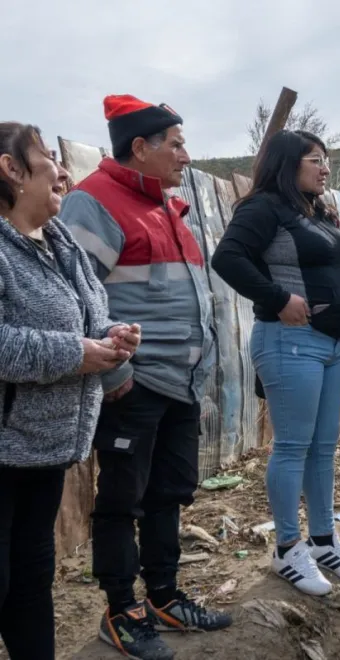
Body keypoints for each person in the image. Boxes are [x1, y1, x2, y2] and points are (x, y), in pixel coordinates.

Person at [59, 95, 231, 660]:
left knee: (170, 493)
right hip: (134, 384)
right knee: (121, 501)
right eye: (176, 144)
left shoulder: (167, 208)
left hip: (179, 386)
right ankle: (120, 609)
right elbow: (76, 300)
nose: (186, 155)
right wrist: (116, 376)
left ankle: (163, 595)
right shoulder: (94, 204)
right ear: (141, 147)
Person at [0, 122, 139, 660]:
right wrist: (74, 353)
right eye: (45, 159)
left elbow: (91, 316)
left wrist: (112, 335)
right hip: (6, 448)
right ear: (10, 170)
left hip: (48, 447)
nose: (62, 171)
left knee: (32, 579)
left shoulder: (62, 246)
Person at [211, 129, 340, 599]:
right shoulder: (263, 208)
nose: (324, 168)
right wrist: (277, 298)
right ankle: (286, 547)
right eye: (315, 160)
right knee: (293, 447)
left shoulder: (312, 210)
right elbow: (227, 257)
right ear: (287, 164)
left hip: (328, 343)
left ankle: (323, 540)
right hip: (290, 341)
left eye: (326, 161)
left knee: (323, 447)